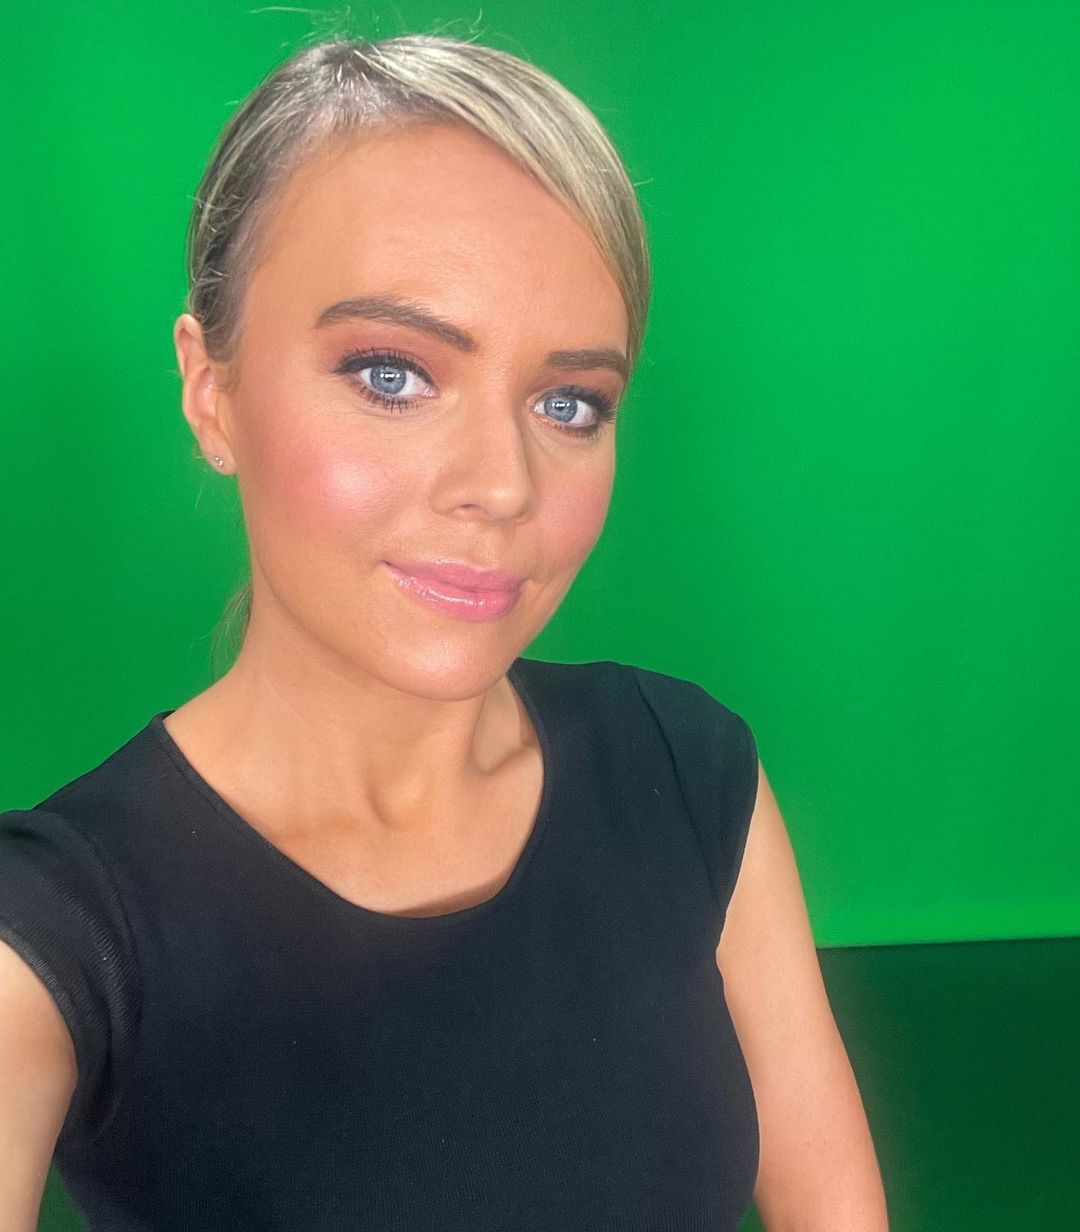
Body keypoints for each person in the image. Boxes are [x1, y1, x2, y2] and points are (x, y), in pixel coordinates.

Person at [0, 33, 888, 1232]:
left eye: (568, 401)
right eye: (391, 374)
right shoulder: (56, 933)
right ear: (212, 390)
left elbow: (835, 1203)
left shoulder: (687, 768)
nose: (503, 484)